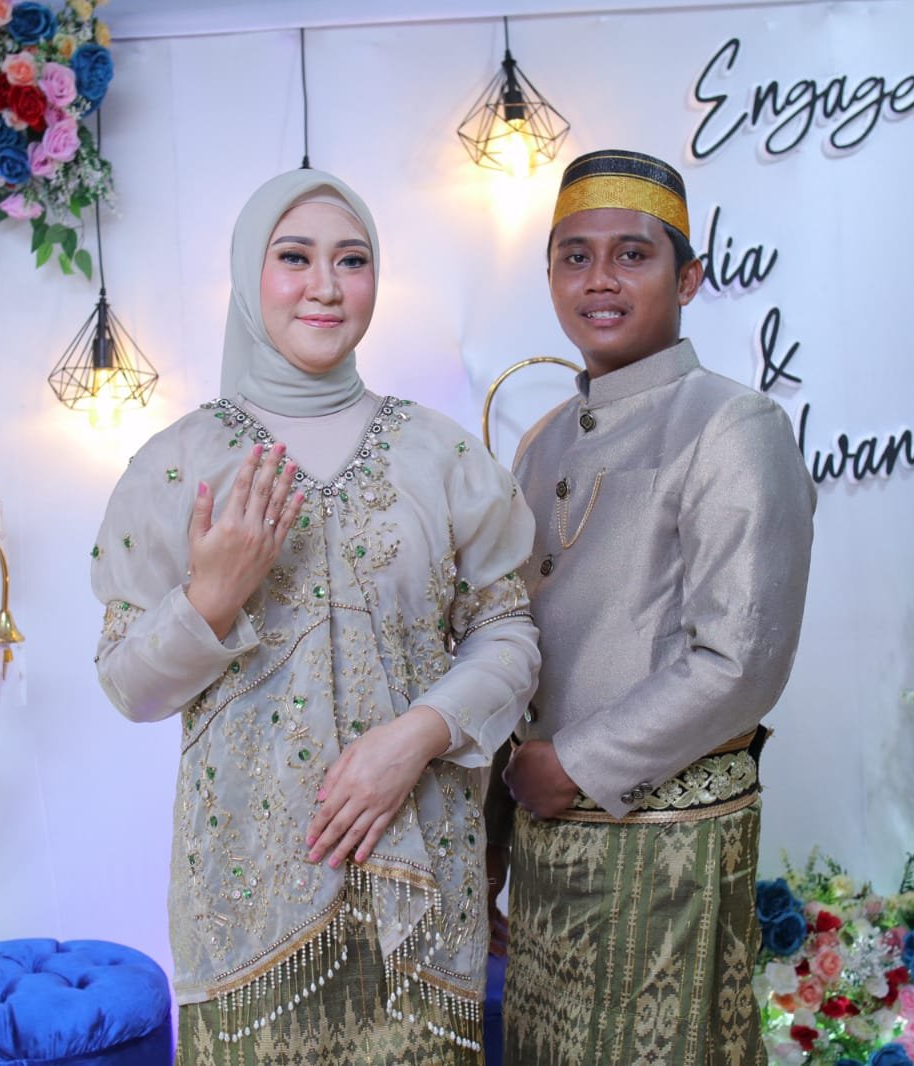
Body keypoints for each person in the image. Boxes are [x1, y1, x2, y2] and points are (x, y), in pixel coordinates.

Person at [91, 168, 540, 1065]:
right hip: (248, 905)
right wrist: (213, 595)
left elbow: (510, 631)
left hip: (422, 885)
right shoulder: (179, 464)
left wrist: (417, 734)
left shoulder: (440, 454)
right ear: (248, 277)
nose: (326, 286)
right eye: (294, 257)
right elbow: (128, 687)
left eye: (353, 259)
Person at [489, 149, 816, 1065]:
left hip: (667, 851)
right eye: (575, 256)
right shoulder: (545, 440)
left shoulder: (731, 423)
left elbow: (742, 660)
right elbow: (511, 641)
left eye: (632, 254)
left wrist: (576, 763)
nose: (599, 279)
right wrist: (493, 837)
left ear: (689, 278)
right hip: (546, 845)